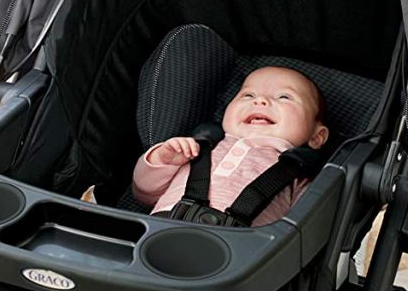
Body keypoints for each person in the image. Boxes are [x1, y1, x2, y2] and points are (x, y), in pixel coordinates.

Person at [133, 65, 329, 228]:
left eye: (284, 97)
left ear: (317, 137)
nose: (259, 101)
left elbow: (307, 230)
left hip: (236, 257)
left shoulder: (298, 179)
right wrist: (161, 160)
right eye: (248, 95)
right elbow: (144, 194)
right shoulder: (195, 149)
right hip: (159, 232)